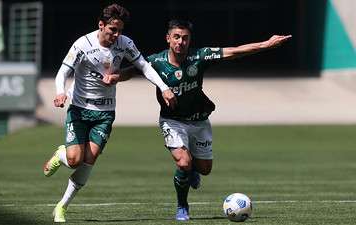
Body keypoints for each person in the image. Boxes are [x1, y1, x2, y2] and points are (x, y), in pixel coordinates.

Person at [105, 19, 291, 221]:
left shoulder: (199, 56)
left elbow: (235, 51)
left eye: (185, 38)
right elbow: (133, 71)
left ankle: (193, 170)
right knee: (183, 163)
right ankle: (182, 205)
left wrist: (266, 44)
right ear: (168, 38)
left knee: (204, 169)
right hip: (172, 121)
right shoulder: (156, 62)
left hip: (199, 120)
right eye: (176, 37)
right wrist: (115, 77)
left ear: (190, 40)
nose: (180, 42)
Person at [42, 4, 176, 223]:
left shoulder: (125, 44)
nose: (116, 35)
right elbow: (63, 71)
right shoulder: (83, 44)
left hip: (105, 112)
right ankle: (61, 154)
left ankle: (62, 207)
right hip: (79, 109)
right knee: (75, 159)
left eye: (120, 30)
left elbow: (144, 66)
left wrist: (164, 87)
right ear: (101, 25)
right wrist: (59, 92)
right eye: (113, 29)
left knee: (89, 159)